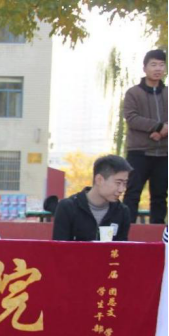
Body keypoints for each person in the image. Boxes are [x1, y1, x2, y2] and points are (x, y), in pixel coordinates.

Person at [122, 50, 167, 224]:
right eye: (153, 65)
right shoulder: (133, 93)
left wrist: (163, 131)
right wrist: (158, 127)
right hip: (139, 152)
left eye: (161, 65)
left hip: (164, 154)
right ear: (145, 68)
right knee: (132, 194)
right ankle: (127, 231)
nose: (158, 69)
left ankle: (158, 233)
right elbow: (132, 118)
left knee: (160, 196)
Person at [53, 155, 132, 242]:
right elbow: (59, 248)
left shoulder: (122, 212)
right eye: (118, 183)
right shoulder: (68, 207)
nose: (122, 189)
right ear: (99, 180)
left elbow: (121, 248)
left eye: (125, 183)